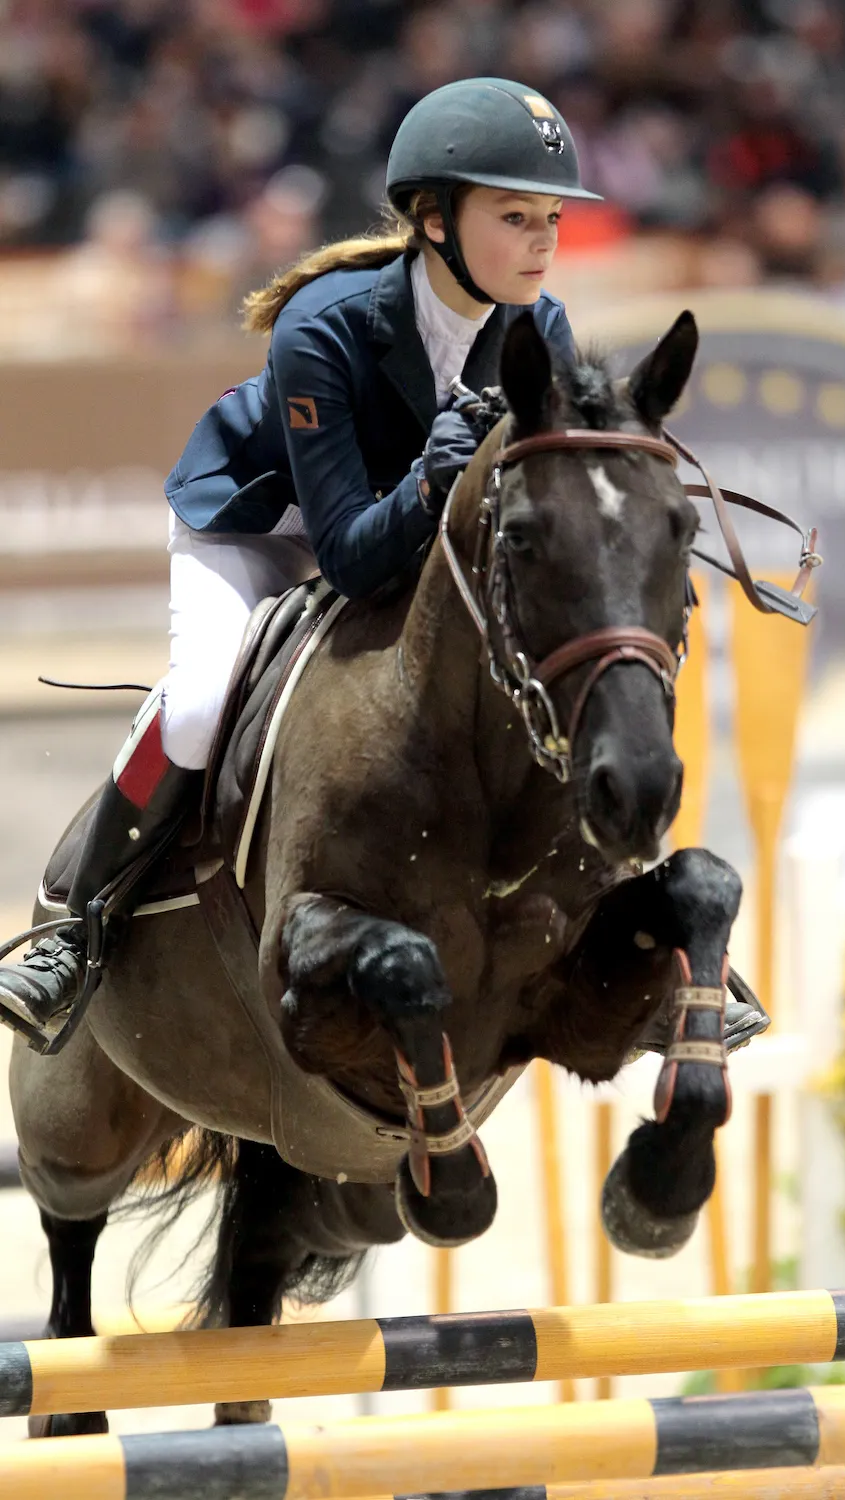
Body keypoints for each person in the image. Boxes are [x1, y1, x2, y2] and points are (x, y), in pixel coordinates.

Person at [0, 78, 599, 1037]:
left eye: (552, 219)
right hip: (256, 530)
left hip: (398, 536)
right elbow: (349, 558)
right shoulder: (324, 323)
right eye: (516, 215)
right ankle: (73, 922)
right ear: (435, 220)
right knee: (202, 702)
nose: (543, 241)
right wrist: (428, 485)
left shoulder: (542, 331)